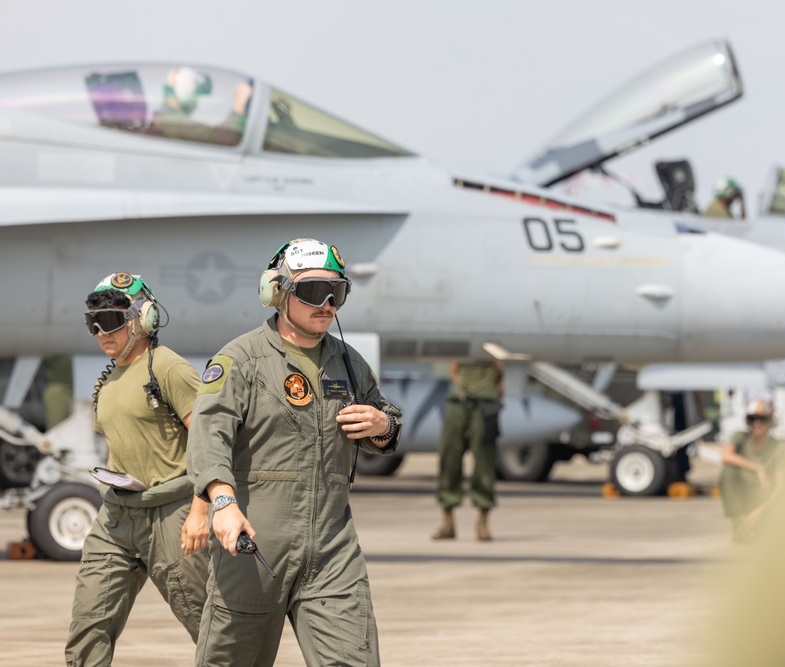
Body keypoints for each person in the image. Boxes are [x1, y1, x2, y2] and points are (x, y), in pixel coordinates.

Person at [186, 238, 402, 667]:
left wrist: (383, 426)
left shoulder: (349, 363)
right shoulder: (241, 360)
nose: (326, 304)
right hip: (252, 546)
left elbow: (383, 420)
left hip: (332, 550)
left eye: (336, 293)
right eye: (312, 291)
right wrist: (222, 503)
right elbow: (209, 437)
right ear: (277, 292)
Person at [66, 272, 209, 666]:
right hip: (116, 515)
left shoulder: (168, 368)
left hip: (171, 514)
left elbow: (211, 442)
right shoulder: (108, 379)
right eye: (93, 324)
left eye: (111, 321)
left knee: (209, 627)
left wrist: (201, 511)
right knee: (88, 625)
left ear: (143, 319)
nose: (101, 333)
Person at [433, 360, 504, 541]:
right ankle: (448, 522)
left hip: (485, 402)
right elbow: (454, 365)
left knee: (484, 463)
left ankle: (483, 521)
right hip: (459, 400)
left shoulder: (496, 340)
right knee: (449, 459)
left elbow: (502, 369)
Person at [718, 398, 785, 543]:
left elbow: (781, 486)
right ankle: (738, 523)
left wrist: (762, 510)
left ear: (770, 423)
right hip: (743, 492)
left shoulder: (778, 447)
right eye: (752, 418)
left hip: (765, 497)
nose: (757, 423)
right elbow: (725, 456)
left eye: (762, 419)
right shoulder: (741, 437)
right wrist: (758, 469)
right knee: (728, 472)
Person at [147, 66, 252, 146]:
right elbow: (225, 137)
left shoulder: (164, 118)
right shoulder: (175, 123)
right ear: (186, 93)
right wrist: (240, 101)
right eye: (196, 98)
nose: (196, 104)